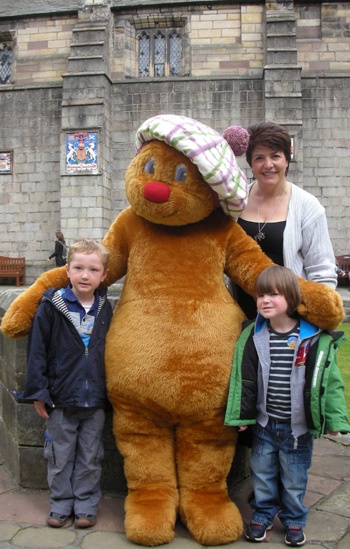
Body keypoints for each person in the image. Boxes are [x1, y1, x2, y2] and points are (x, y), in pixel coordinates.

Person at [225, 265, 350, 547]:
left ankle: (294, 519)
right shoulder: (253, 336)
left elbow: (329, 383)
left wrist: (335, 421)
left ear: (291, 298)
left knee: (294, 476)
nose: (265, 301)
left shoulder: (314, 338)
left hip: (297, 429)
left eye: (273, 295)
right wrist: (241, 415)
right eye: (260, 296)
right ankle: (263, 514)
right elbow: (243, 378)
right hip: (265, 424)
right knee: (262, 472)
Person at [14, 238, 113, 529]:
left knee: (90, 457)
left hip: (94, 400)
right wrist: (39, 392)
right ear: (67, 269)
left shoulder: (104, 308)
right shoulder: (51, 306)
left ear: (103, 275)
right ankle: (59, 505)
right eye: (78, 268)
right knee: (59, 456)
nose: (85, 275)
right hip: (60, 399)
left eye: (93, 270)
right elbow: (37, 353)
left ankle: (85, 506)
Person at [229, 121, 337, 320]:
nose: (268, 164)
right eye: (259, 157)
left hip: (289, 321)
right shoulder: (236, 200)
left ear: (287, 159)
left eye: (275, 156)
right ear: (251, 163)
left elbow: (322, 270)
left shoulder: (308, 206)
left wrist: (316, 318)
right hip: (241, 319)